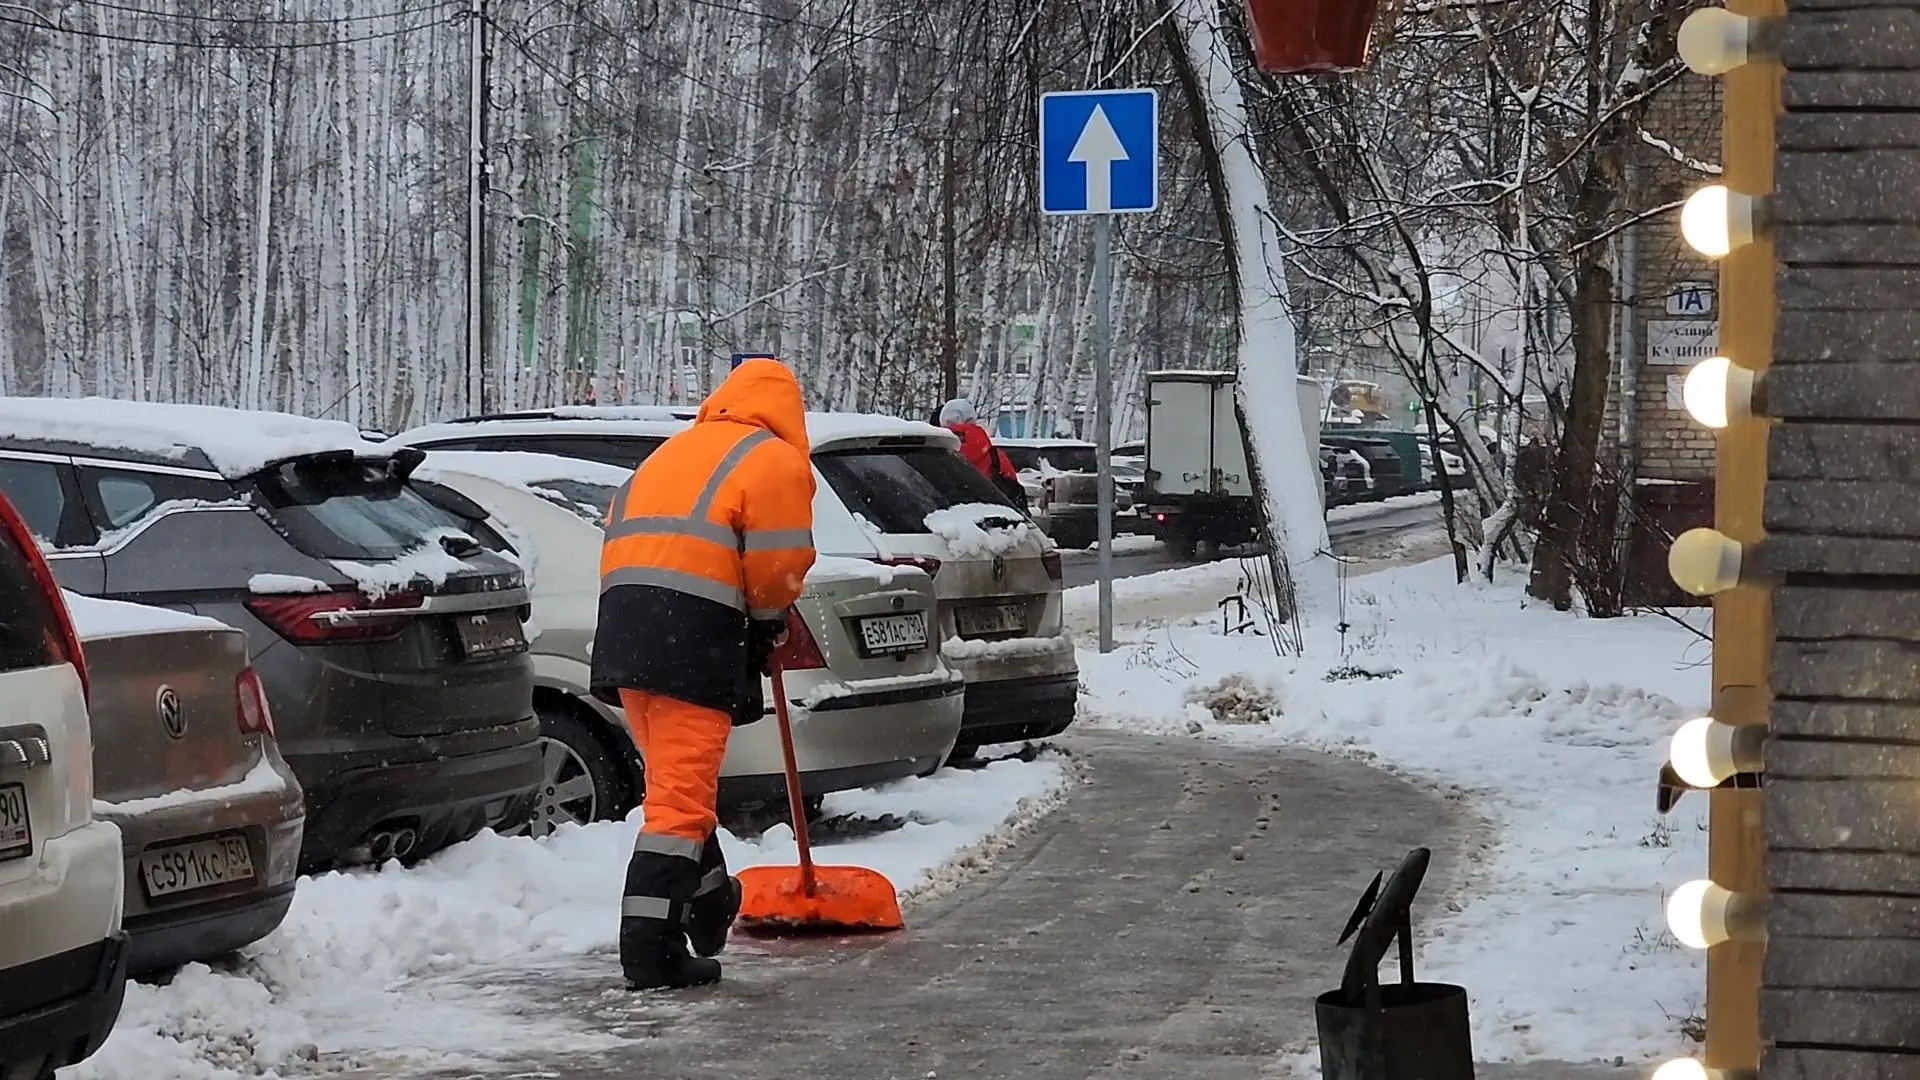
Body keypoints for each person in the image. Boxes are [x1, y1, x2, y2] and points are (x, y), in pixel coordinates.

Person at [591, 358, 817, 991]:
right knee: (679, 805)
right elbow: (777, 566)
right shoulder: (773, 459)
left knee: (675, 788)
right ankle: (649, 953)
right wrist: (770, 618)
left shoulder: (674, 452)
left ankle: (711, 901)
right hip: (689, 639)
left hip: (627, 635)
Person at [938, 398, 1027, 511]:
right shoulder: (996, 457)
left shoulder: (933, 452)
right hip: (991, 521)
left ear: (944, 420)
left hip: (945, 522)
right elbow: (1016, 496)